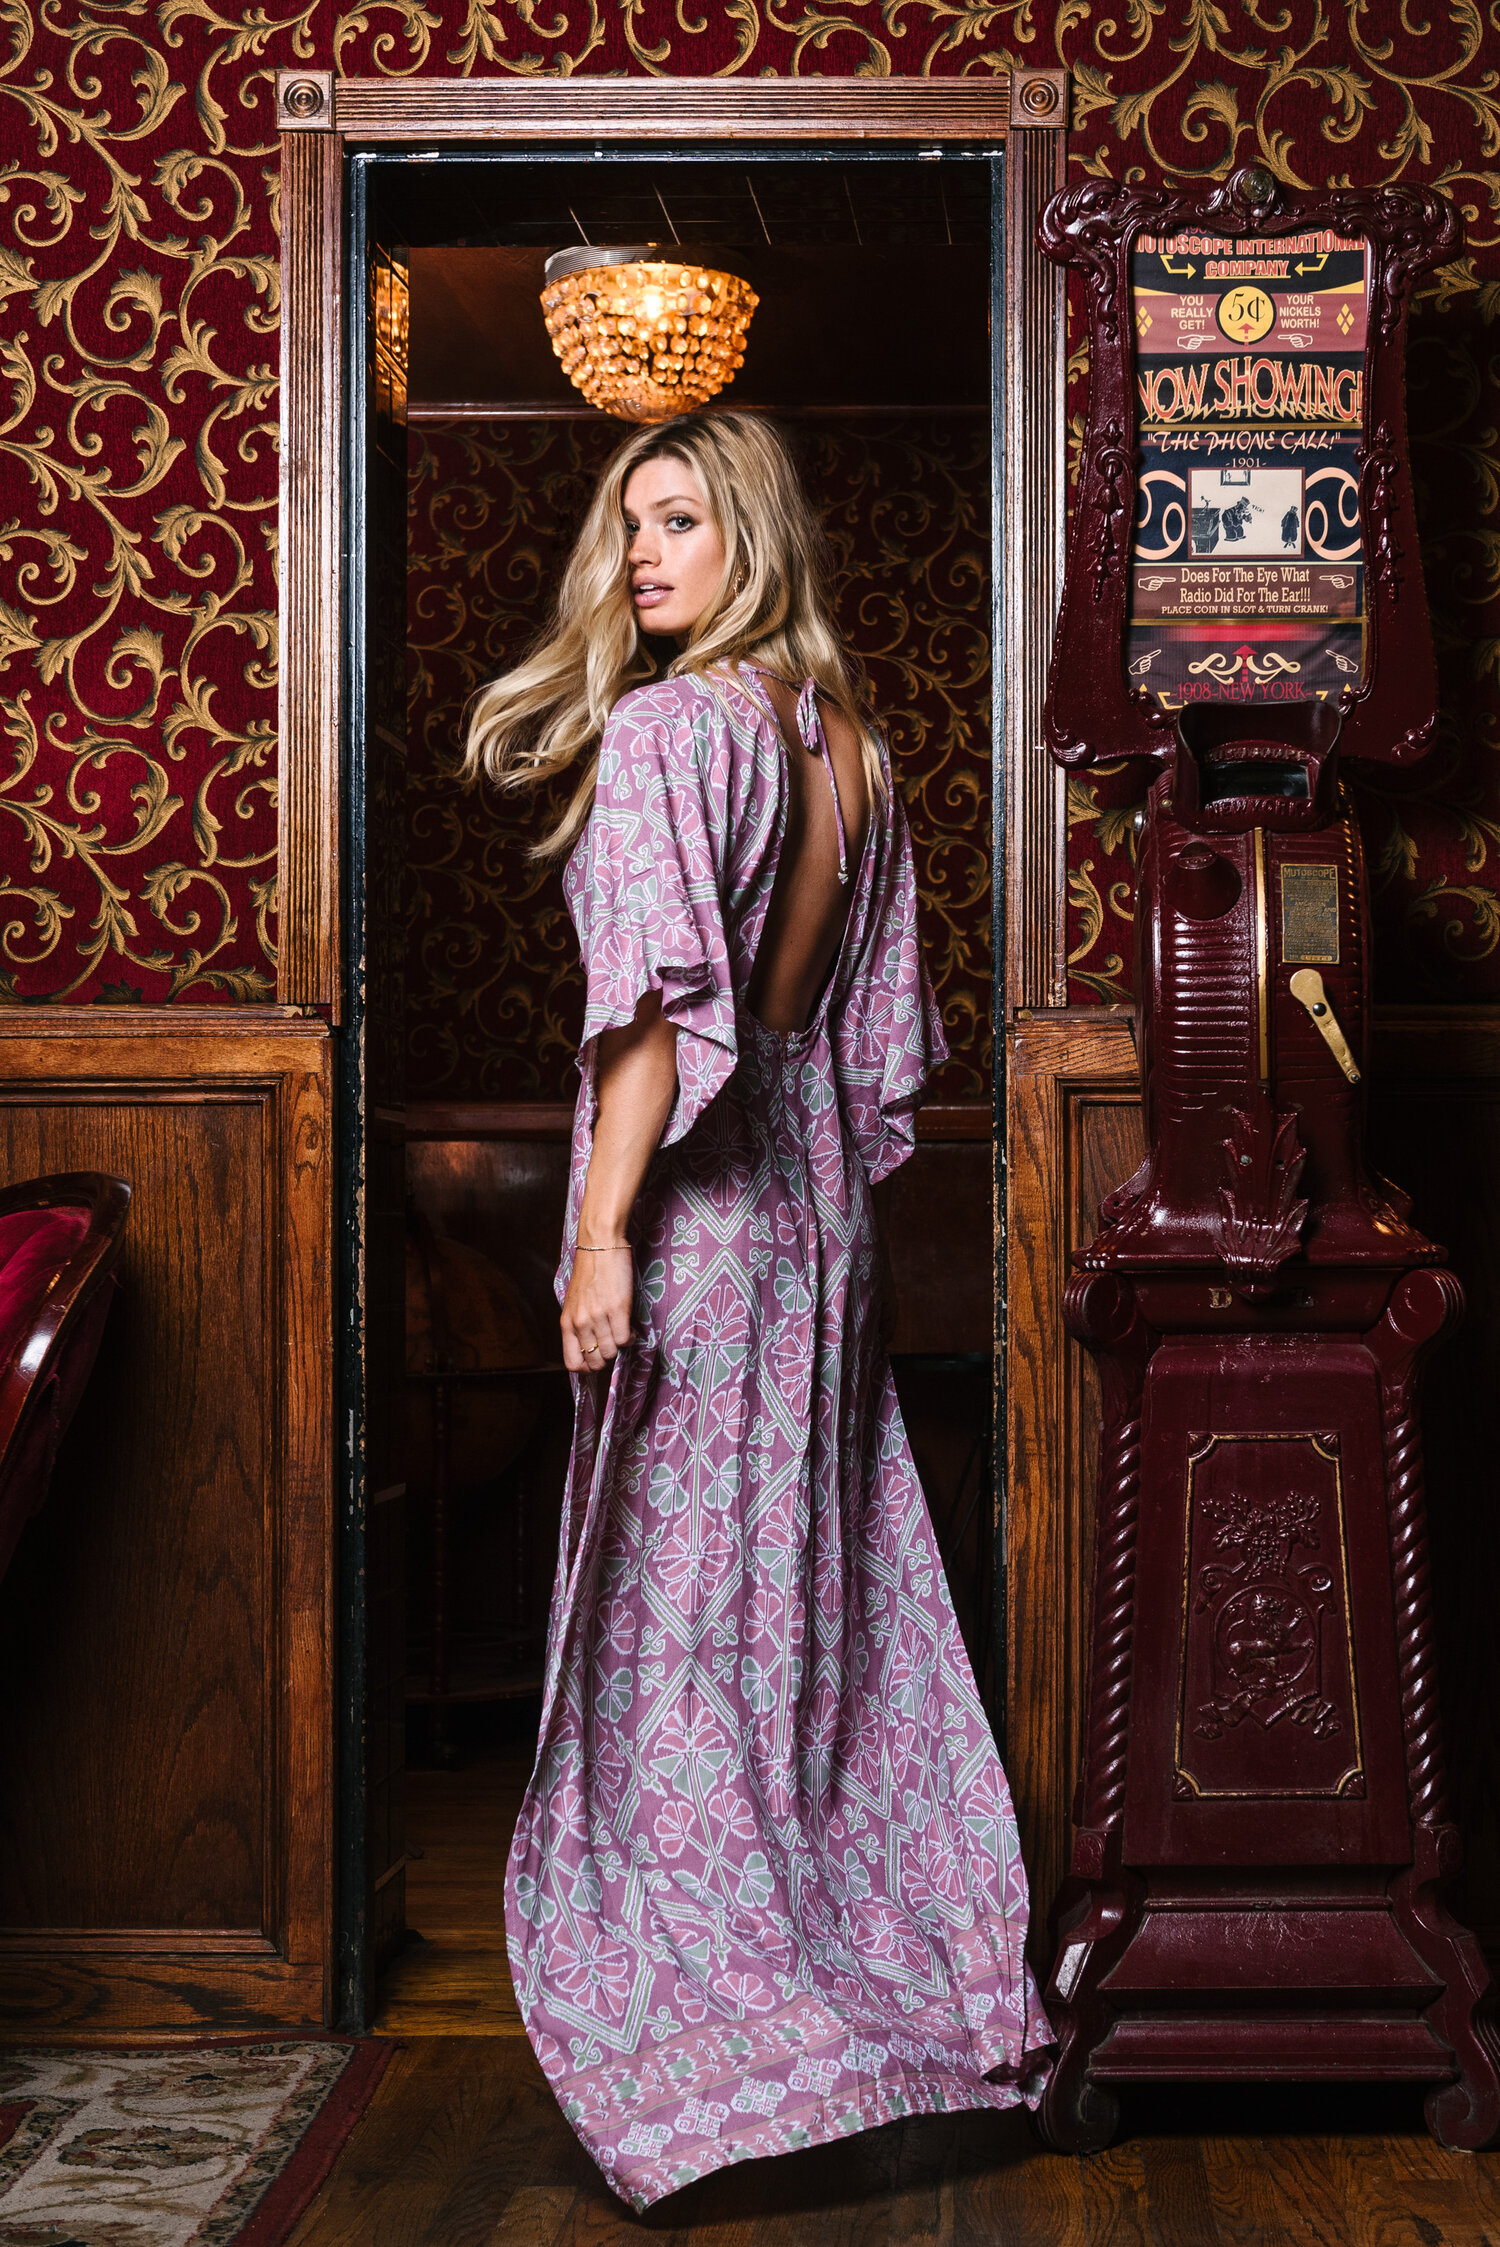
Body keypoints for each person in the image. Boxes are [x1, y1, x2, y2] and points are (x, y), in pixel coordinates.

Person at [463, 410, 1051, 2210]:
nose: (644, 554)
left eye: (682, 521)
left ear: (755, 537)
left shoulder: (674, 730)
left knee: (680, 1635)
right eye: (630, 523)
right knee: (813, 1618)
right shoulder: (848, 744)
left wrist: (599, 1237)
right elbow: (856, 1051)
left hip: (710, 1220)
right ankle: (887, 2016)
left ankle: (729, 2059)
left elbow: (652, 1023)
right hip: (816, 1222)